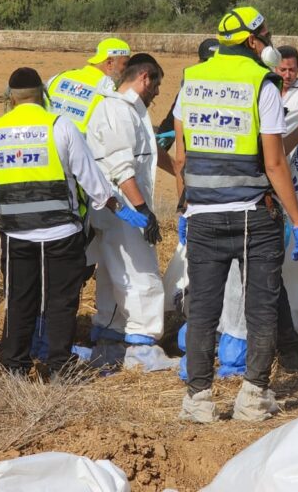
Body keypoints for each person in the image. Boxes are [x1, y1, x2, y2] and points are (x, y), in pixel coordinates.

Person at [174, 5, 298, 423]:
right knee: (261, 307)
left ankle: (197, 400)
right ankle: (253, 396)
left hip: (202, 216)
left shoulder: (191, 80)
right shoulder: (262, 85)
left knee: (202, 309)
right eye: (266, 36)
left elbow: (182, 156)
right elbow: (274, 163)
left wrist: (184, 206)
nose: (270, 42)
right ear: (252, 41)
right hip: (254, 215)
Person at [0, 67, 147, 379]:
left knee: (21, 300)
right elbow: (89, 176)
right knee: (61, 301)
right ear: (43, 95)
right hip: (61, 232)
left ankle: (15, 367)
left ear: (10, 99)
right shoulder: (59, 126)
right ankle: (60, 365)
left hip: (16, 233)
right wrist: (117, 205)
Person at [86, 53, 177, 370]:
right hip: (124, 210)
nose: (157, 93)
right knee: (142, 275)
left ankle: (111, 342)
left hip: (115, 211)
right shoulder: (119, 112)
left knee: (115, 274)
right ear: (145, 78)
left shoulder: (124, 111)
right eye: (157, 85)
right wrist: (142, 210)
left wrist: (179, 167)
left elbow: (145, 152)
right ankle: (142, 348)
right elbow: (122, 168)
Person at [46, 38, 131, 133]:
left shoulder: (58, 77)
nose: (127, 70)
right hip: (82, 144)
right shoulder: (108, 90)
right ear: (109, 63)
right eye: (125, 64)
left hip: (48, 143)